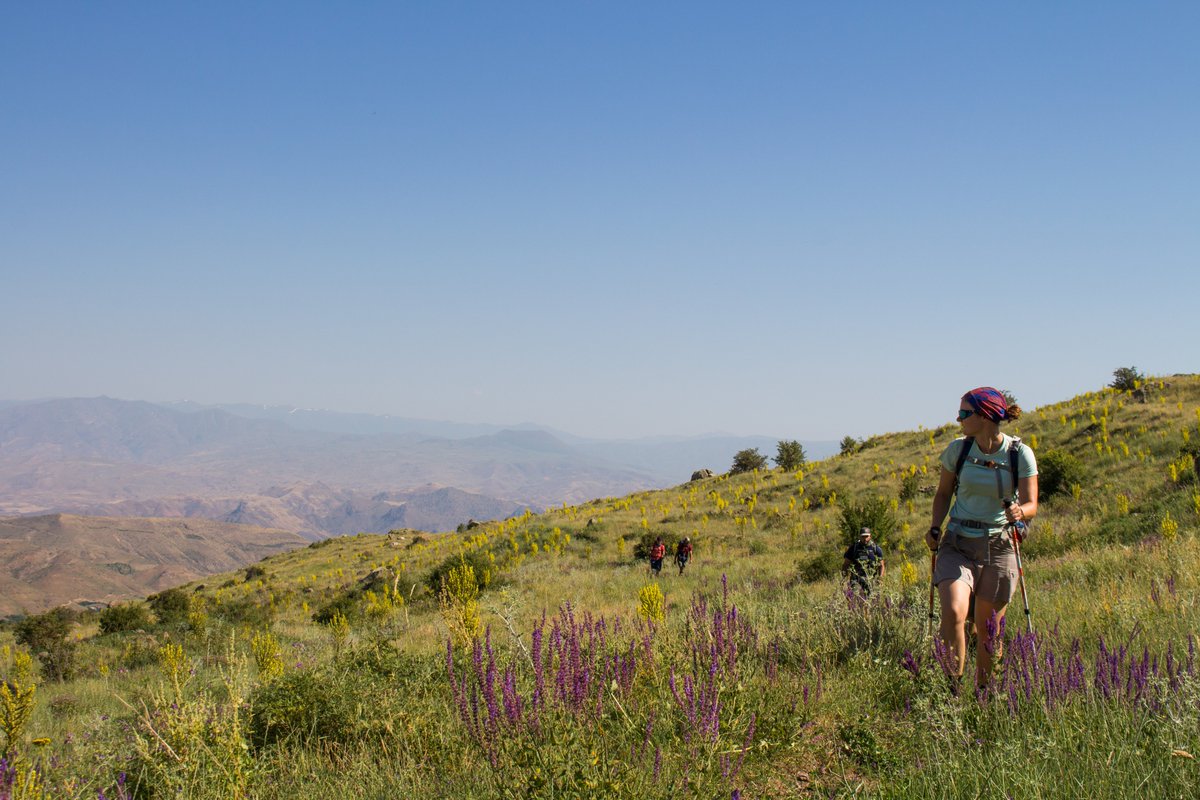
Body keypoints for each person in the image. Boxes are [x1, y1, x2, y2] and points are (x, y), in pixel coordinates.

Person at [926, 387, 1038, 690]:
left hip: (1000, 546)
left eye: (965, 413)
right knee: (953, 611)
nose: (958, 418)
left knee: (989, 630)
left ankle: (984, 696)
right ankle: (952, 690)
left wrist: (1020, 511)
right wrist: (936, 526)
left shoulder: (1019, 454)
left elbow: (1032, 504)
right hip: (958, 541)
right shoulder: (958, 449)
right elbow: (943, 493)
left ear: (985, 416)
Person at [842, 527, 884, 594]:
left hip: (870, 579)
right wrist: (844, 578)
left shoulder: (876, 548)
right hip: (856, 579)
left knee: (871, 599)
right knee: (855, 598)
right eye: (863, 536)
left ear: (870, 536)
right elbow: (846, 564)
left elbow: (881, 565)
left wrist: (880, 578)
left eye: (866, 536)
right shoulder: (853, 548)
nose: (865, 538)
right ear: (859, 537)